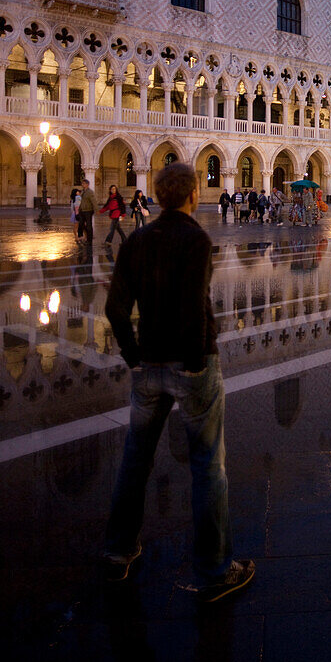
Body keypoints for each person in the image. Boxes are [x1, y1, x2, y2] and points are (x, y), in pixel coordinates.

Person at [103, 162, 254, 600]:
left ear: (156, 196)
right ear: (192, 196)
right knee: (209, 467)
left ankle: (118, 552)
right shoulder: (195, 239)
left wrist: (133, 355)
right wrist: (192, 361)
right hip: (193, 367)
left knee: (135, 461)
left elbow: (115, 309)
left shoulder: (137, 239)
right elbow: (192, 307)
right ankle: (214, 570)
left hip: (147, 364)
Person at [77, 179, 96, 244]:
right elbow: (81, 201)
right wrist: (79, 209)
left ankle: (89, 240)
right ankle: (80, 236)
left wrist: (96, 210)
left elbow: (94, 201)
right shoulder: (82, 191)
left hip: (88, 210)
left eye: (84, 183)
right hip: (82, 210)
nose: (83, 185)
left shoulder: (90, 192)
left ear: (87, 184)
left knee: (89, 226)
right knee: (81, 224)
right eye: (82, 183)